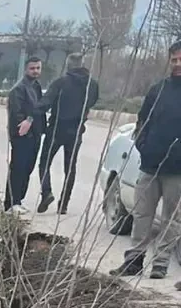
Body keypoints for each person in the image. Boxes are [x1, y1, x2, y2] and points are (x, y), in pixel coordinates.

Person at [116, 40, 181, 281]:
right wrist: (143, 146)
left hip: (177, 170)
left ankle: (160, 265)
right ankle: (133, 261)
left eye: (180, 59)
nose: (177, 64)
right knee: (142, 215)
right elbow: (141, 121)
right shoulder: (158, 89)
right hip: (150, 165)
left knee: (171, 219)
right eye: (174, 59)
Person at [36, 51, 100, 212]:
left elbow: (46, 102)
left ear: (68, 65)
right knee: (70, 168)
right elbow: (91, 102)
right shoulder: (92, 85)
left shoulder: (60, 83)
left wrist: (32, 112)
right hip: (76, 130)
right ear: (83, 64)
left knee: (45, 161)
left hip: (57, 129)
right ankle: (63, 204)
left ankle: (46, 192)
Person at [4, 56, 46, 210]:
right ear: (26, 69)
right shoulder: (19, 89)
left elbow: (40, 109)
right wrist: (25, 125)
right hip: (22, 135)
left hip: (35, 135)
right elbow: (16, 113)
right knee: (18, 169)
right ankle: (11, 203)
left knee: (28, 168)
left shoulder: (36, 87)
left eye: (38, 68)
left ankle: (18, 200)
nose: (35, 71)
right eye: (32, 68)